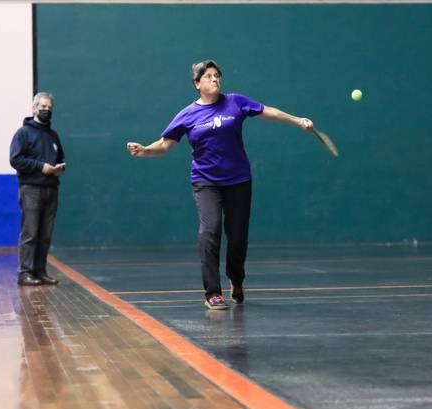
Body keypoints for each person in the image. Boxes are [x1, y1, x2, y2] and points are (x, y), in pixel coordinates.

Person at [126, 60, 314, 310]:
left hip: (239, 180)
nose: (215, 80)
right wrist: (145, 150)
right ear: (197, 83)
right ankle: (212, 292)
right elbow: (164, 144)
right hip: (206, 181)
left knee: (237, 238)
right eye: (208, 76)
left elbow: (270, 111)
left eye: (217, 76)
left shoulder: (235, 101)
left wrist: (297, 120)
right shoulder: (187, 114)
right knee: (210, 230)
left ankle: (236, 279)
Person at [9, 92, 65, 286]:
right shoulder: (23, 133)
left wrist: (59, 169)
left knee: (45, 234)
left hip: (51, 189)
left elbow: (60, 159)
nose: (46, 110)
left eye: (49, 107)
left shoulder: (53, 135)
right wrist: (40, 166)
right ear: (34, 108)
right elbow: (15, 159)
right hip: (31, 189)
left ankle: (40, 272)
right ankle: (24, 273)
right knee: (30, 233)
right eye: (42, 107)